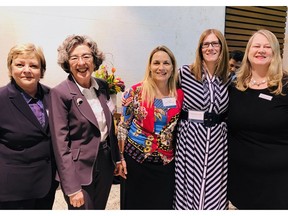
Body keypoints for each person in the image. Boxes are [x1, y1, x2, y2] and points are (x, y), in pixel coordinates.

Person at [49, 35, 122, 210]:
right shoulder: (60, 93)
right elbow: (60, 146)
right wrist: (72, 187)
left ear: (95, 60)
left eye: (86, 56)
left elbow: (110, 126)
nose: (81, 62)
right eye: (74, 58)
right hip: (78, 169)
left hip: (104, 164)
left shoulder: (102, 86)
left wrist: (117, 159)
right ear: (67, 63)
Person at [117, 45, 184, 209]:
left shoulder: (180, 94)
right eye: (156, 63)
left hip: (166, 163)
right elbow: (123, 127)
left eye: (166, 63)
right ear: (150, 66)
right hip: (135, 161)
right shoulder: (135, 92)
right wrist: (120, 158)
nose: (161, 68)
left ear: (173, 66)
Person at [227, 29, 288, 209]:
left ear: (275, 52)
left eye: (267, 46)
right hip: (241, 179)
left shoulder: (285, 85)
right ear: (248, 51)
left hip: (277, 182)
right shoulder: (236, 86)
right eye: (257, 46)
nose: (261, 50)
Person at [174, 29, 230, 210]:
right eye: (206, 44)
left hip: (217, 142)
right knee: (188, 184)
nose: (210, 48)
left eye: (215, 43)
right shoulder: (185, 73)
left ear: (222, 48)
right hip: (190, 138)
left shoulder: (229, 78)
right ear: (200, 49)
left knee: (214, 187)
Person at [0, 43, 58, 209]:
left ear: (42, 71)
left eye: (33, 66)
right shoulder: (1, 98)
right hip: (12, 188)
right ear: (11, 68)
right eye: (20, 64)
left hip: (46, 185)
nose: (27, 70)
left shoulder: (52, 96)